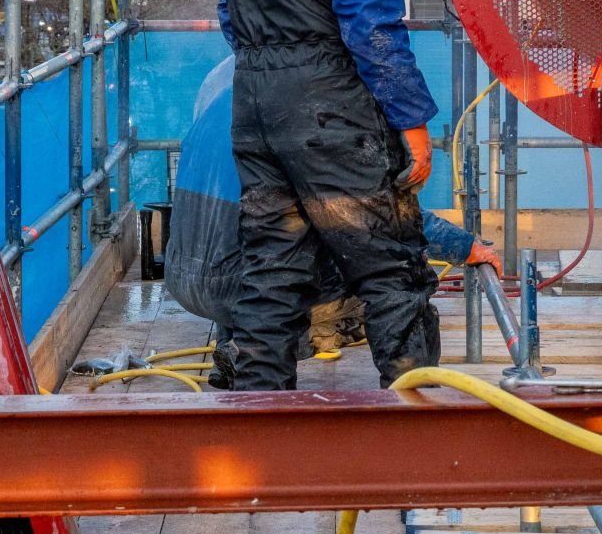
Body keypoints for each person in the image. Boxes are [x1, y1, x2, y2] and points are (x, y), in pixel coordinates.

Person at [212, 0, 443, 390]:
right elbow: (372, 28)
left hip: (254, 101)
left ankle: (259, 424)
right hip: (325, 102)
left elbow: (230, 17)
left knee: (272, 262)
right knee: (390, 262)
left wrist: (274, 67)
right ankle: (420, 416)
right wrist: (413, 123)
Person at [166, 57, 502, 386]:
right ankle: (413, 386)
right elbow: (380, 216)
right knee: (389, 265)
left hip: (184, 277)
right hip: (240, 280)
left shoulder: (232, 78)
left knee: (271, 232)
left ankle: (240, 351)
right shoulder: (318, 105)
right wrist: (465, 247)